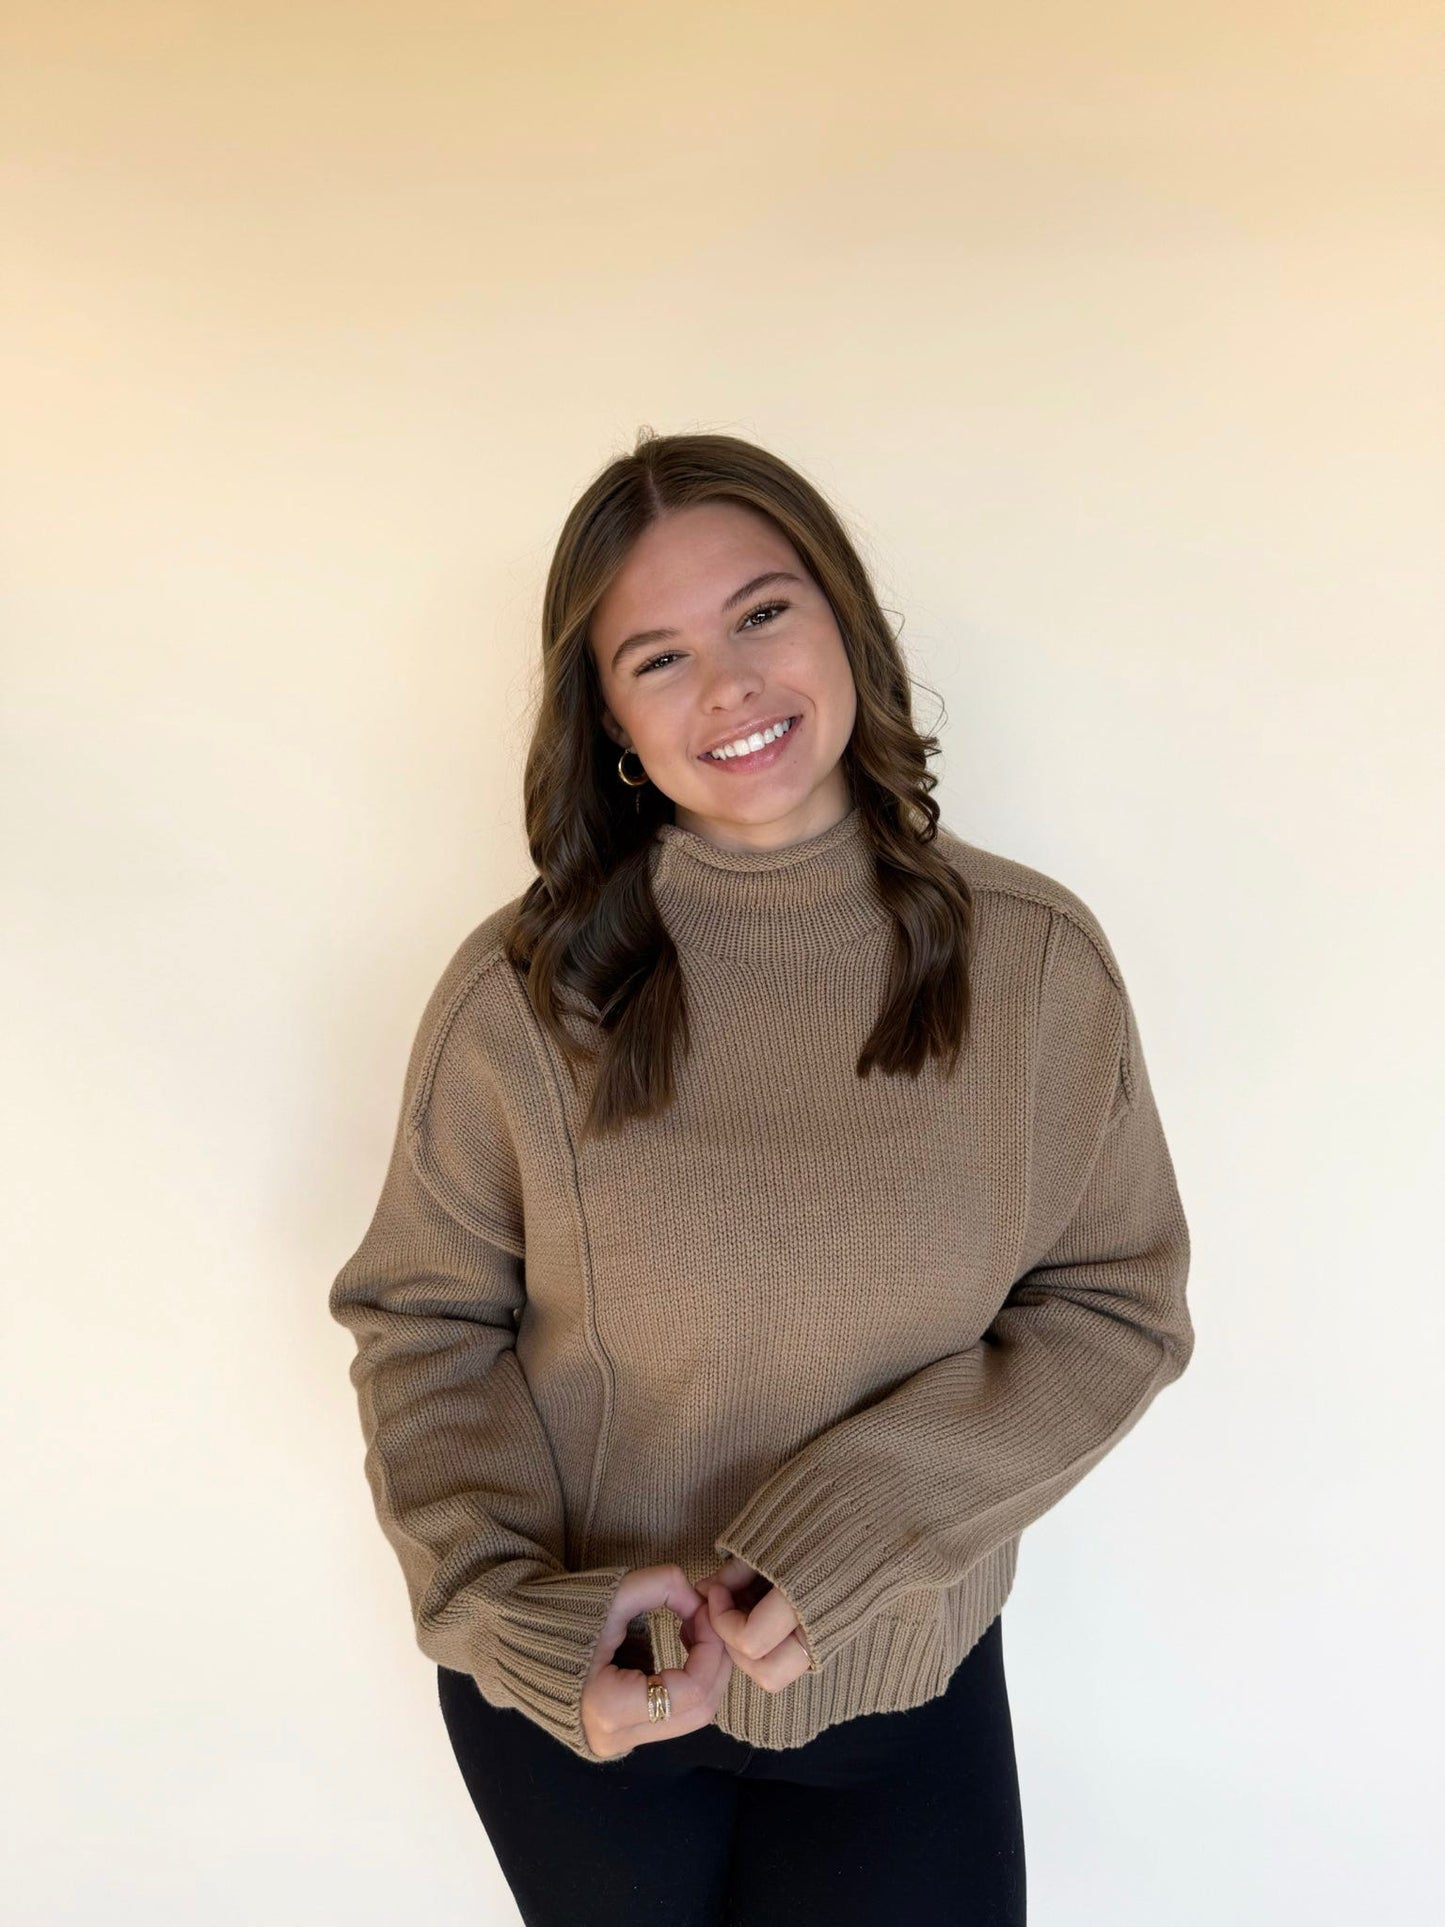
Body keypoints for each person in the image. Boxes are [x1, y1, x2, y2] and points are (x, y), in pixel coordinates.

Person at [327, 428, 1195, 1925]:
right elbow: (425, 1323)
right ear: (609, 719)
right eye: (657, 658)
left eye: (761, 613)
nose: (727, 686)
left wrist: (851, 1536)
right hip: (596, 1706)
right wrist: (522, 1620)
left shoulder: (1033, 963)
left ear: (842, 618)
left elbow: (1114, 1305)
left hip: (903, 1683)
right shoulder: (521, 993)